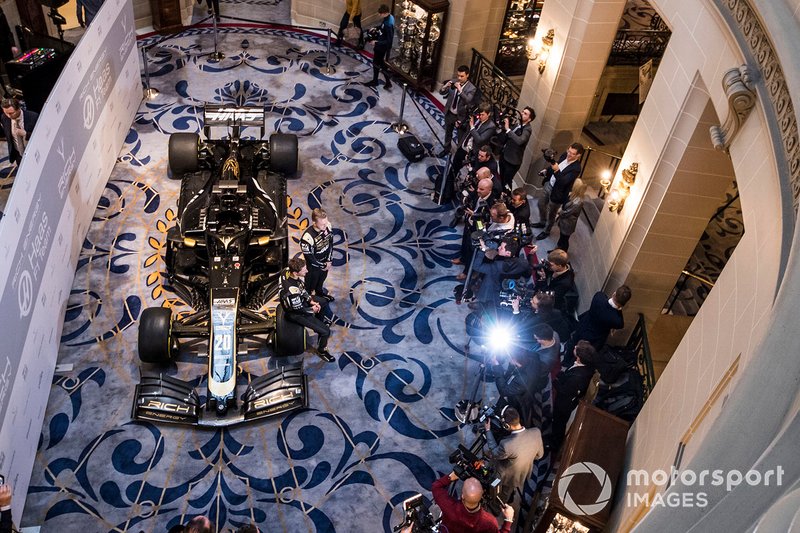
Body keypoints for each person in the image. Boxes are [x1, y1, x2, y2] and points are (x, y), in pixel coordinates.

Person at [280, 257, 336, 362]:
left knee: (323, 302)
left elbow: (301, 288)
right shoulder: (292, 291)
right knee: (326, 332)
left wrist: (310, 300)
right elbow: (298, 310)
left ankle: (318, 324)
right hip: (295, 313)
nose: (307, 270)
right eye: (304, 269)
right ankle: (322, 350)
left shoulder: (286, 271)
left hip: (300, 302)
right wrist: (312, 309)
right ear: (296, 273)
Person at [485, 407, 544, 506]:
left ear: (506, 425)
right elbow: (539, 455)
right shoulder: (536, 432)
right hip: (520, 475)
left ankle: (495, 506)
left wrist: (488, 430)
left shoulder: (507, 445)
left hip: (505, 476)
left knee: (498, 492)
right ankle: (502, 504)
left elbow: (495, 453)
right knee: (507, 492)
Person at [550, 341, 597, 452]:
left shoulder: (578, 378)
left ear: (579, 358)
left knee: (559, 423)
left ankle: (554, 444)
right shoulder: (582, 365)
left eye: (577, 348)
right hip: (568, 387)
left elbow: (564, 391)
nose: (574, 346)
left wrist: (555, 381)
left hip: (564, 404)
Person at [431, 472, 514, 533]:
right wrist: (508, 520)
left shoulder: (448, 506)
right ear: (482, 495)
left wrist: (450, 477)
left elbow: (436, 486)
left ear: (463, 495)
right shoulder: (489, 522)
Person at [534, 142, 584, 240]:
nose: (569, 154)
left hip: (558, 192)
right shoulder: (565, 155)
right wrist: (547, 170)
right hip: (549, 184)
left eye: (572, 153)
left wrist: (557, 170)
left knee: (552, 213)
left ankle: (546, 230)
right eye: (568, 151)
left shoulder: (576, 168)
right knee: (540, 204)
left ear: (578, 156)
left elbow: (563, 182)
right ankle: (542, 222)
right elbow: (556, 164)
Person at [453, 177, 496, 280]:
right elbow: (469, 201)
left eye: (481, 189)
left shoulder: (492, 204)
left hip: (478, 231)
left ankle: (467, 272)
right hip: (469, 224)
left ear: (489, 190)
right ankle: (462, 258)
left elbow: (489, 222)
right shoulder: (477, 193)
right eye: (478, 188)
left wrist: (476, 215)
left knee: (472, 252)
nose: (478, 191)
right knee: (464, 245)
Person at [470, 236, 529, 310]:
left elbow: (476, 266)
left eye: (501, 248)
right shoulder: (523, 262)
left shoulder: (497, 266)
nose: (498, 248)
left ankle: (481, 305)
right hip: (509, 292)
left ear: (508, 253)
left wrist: (482, 250)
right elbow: (528, 275)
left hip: (492, 293)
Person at [573, 285, 631, 350]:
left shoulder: (598, 297)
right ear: (624, 304)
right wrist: (619, 308)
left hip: (583, 326)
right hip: (594, 340)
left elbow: (603, 296)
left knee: (571, 345)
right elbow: (621, 323)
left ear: (614, 293)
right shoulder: (617, 320)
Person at [438, 65, 478, 157]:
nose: (459, 78)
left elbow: (468, 100)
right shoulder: (454, 81)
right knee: (448, 133)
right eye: (458, 75)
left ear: (467, 75)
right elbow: (442, 92)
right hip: (450, 113)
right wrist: (445, 87)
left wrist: (460, 90)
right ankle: (446, 149)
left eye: (462, 76)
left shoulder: (471, 88)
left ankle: (459, 154)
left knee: (460, 137)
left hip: (460, 117)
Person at [300, 208, 334, 301]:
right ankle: (308, 301)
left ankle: (319, 293)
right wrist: (323, 265)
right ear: (314, 222)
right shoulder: (307, 238)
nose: (325, 226)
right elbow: (310, 258)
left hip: (325, 262)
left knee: (321, 281)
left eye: (326, 222)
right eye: (322, 224)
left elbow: (331, 243)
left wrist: (329, 260)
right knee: (309, 287)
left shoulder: (327, 226)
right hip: (313, 267)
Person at [499, 106, 534, 193]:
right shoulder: (517, 124)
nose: (522, 114)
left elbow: (520, 141)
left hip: (512, 161)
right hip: (505, 155)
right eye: (522, 112)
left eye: (525, 114)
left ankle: (506, 197)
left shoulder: (527, 129)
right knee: (501, 177)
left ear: (529, 119)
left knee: (507, 182)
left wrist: (508, 129)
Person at [532, 249, 576, 315]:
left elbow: (549, 297)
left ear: (559, 266)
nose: (549, 266)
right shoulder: (559, 266)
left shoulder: (565, 283)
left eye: (551, 264)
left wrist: (543, 279)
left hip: (553, 299)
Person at [1, 97, 38, 165]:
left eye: (11, 113)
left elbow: (40, 136)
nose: (9, 116)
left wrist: (25, 134)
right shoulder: (4, 117)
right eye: (6, 113)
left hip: (35, 153)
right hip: (19, 155)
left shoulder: (33, 117)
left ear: (18, 108)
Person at [364, 5, 394, 90]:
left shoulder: (389, 25)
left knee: (377, 64)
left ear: (385, 13)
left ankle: (376, 81)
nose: (379, 15)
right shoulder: (389, 17)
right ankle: (386, 82)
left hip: (381, 47)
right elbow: (382, 27)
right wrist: (376, 28)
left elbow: (389, 41)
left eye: (381, 14)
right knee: (380, 64)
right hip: (380, 44)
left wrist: (376, 43)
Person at [555, 178, 587, 251]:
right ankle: (557, 249)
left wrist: (559, 212)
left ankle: (562, 253)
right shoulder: (572, 194)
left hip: (568, 223)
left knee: (564, 240)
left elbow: (567, 212)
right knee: (562, 237)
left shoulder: (578, 202)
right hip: (564, 221)